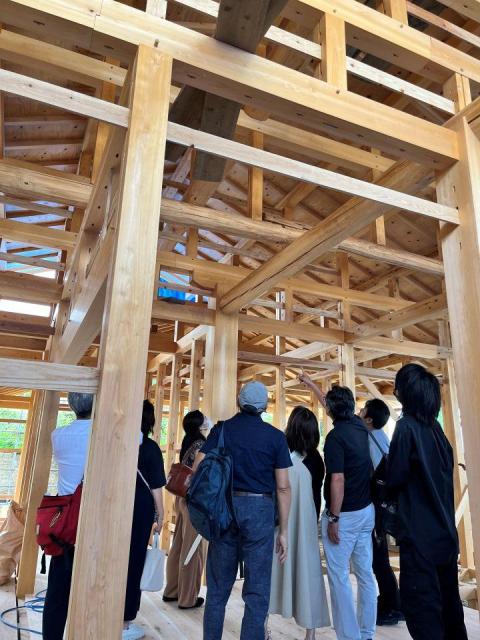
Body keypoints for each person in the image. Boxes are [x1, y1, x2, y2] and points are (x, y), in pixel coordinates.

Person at [195, 381, 292, 640]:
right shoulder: (275, 437)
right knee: (257, 592)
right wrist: (283, 531)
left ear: (239, 401)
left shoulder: (222, 430)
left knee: (217, 590)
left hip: (225, 508)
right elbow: (283, 488)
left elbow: (198, 467)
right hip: (260, 510)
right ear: (265, 407)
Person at [387, 364, 467, 640]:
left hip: (419, 536)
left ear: (406, 393)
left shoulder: (406, 427)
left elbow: (395, 477)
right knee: (450, 610)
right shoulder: (437, 430)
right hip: (445, 534)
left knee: (423, 611)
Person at [300, 374, 376, 640]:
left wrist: (333, 518)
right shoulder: (358, 426)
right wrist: (311, 384)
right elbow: (330, 403)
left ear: (332, 411)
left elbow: (338, 480)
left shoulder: (334, 438)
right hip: (367, 511)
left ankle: (348, 636)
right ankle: (366, 632)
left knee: (339, 576)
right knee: (365, 574)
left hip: (345, 515)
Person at [268, 406, 330, 640]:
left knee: (273, 570)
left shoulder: (281, 453)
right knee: (308, 571)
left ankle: (263, 626)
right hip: (306, 521)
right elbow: (316, 493)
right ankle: (310, 633)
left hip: (280, 519)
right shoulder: (317, 460)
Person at [43, 392, 94, 640]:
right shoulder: (104, 433)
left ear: (71, 406)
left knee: (57, 589)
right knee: (92, 588)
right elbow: (137, 438)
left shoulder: (58, 435)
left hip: (63, 521)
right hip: (94, 519)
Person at [124, 400, 166, 640]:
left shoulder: (119, 441)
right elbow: (157, 486)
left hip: (115, 505)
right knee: (134, 561)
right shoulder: (150, 448)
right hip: (140, 510)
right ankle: (124, 623)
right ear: (150, 421)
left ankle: (105, 609)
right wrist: (161, 513)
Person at [360, 399, 402, 627]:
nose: (359, 411)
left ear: (369, 419)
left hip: (376, 506)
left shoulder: (369, 439)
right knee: (380, 556)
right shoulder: (382, 437)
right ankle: (392, 601)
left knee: (379, 559)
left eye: (363, 409)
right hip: (384, 506)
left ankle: (391, 605)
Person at [164, 410, 208, 609]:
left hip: (180, 498)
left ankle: (172, 591)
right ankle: (187, 598)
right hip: (194, 501)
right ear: (200, 424)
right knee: (192, 549)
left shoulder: (187, 440)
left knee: (178, 545)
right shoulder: (202, 444)